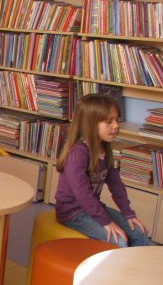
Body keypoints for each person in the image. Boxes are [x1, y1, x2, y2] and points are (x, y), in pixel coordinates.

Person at [55, 93, 149, 247]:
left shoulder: (104, 149)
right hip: (73, 213)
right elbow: (82, 193)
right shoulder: (78, 153)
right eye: (109, 121)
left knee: (139, 233)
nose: (116, 125)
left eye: (117, 120)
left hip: (93, 208)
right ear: (90, 123)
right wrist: (105, 221)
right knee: (119, 241)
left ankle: (138, 264)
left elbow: (116, 186)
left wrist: (128, 213)